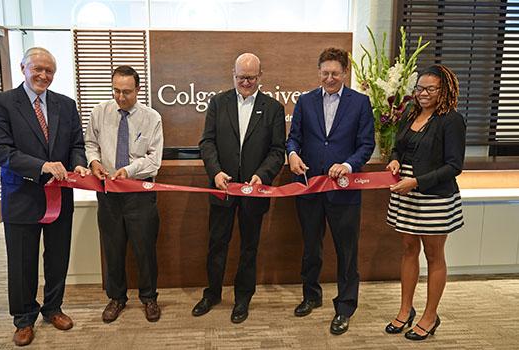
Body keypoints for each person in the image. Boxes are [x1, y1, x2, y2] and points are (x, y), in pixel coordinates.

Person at [0, 47, 88, 346]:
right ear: (23, 68)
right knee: (22, 261)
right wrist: (41, 166)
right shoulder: (1, 103)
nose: (44, 75)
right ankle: (24, 318)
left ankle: (53, 308)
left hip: (59, 197)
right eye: (38, 69)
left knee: (57, 257)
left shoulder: (65, 105)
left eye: (50, 71)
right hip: (21, 196)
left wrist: (78, 162)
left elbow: (76, 144)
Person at [286, 47, 375, 335]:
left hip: (344, 191)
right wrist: (292, 155)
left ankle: (345, 307)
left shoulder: (360, 103)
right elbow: (294, 138)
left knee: (346, 252)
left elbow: (366, 144)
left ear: (345, 72)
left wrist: (349, 165)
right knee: (311, 246)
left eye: (335, 73)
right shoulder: (305, 101)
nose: (329, 78)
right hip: (310, 187)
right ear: (319, 72)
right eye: (325, 73)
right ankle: (311, 295)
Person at [194, 53, 286, 323]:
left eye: (251, 77)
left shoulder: (273, 108)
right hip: (222, 188)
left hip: (254, 192)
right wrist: (216, 171)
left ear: (260, 76)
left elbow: (277, 150)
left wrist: (261, 175)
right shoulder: (218, 103)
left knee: (249, 248)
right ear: (232, 75)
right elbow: (207, 143)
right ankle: (212, 294)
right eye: (241, 77)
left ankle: (243, 299)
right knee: (216, 244)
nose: (245, 82)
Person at [385, 64, 465, 341]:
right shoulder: (410, 112)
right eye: (419, 88)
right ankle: (406, 310)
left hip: (433, 196)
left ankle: (430, 317)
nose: (423, 93)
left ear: (444, 91)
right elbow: (399, 146)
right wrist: (394, 158)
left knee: (433, 256)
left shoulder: (452, 120)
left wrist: (417, 182)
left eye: (430, 89)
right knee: (408, 249)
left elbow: (454, 165)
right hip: (405, 193)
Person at [85, 65, 163, 323]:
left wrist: (128, 171)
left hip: (140, 192)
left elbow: (154, 160)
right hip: (108, 193)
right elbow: (90, 144)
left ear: (138, 89)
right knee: (113, 248)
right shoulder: (99, 112)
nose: (120, 97)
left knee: (145, 249)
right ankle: (116, 298)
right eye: (116, 91)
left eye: (127, 92)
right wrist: (94, 163)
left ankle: (149, 297)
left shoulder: (151, 117)